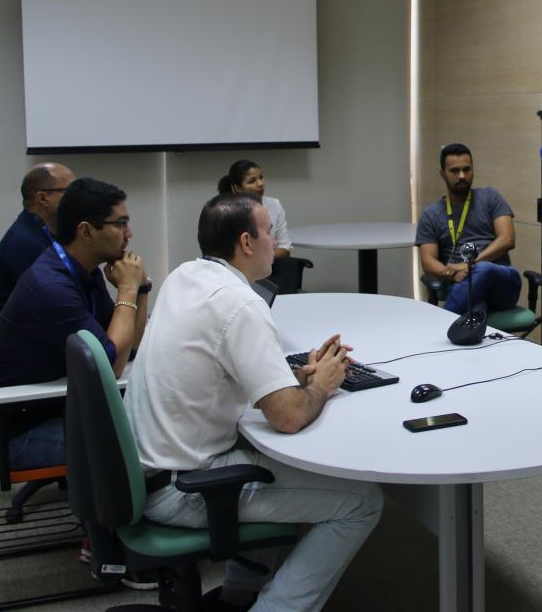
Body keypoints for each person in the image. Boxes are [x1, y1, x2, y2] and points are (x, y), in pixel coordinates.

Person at [126, 193, 382, 612]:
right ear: (246, 242)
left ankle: (238, 595)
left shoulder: (185, 277)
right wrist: (323, 386)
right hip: (185, 487)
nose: (275, 241)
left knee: (278, 463)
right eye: (268, 232)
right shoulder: (242, 302)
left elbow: (215, 370)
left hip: (149, 471)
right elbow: (288, 417)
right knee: (362, 502)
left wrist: (290, 380)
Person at [0, 178, 150, 470]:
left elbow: (129, 345)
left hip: (52, 408)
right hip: (14, 435)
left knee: (159, 416)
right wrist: (128, 289)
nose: (128, 234)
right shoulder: (51, 287)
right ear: (86, 232)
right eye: (120, 224)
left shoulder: (82, 270)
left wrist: (140, 289)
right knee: (149, 438)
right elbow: (113, 364)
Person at [416, 143, 521, 315]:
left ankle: (437, 327)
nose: (462, 176)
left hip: (501, 283)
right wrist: (452, 274)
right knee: (473, 315)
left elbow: (507, 239)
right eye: (454, 171)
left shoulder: (490, 197)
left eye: (467, 169)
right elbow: (428, 262)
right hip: (461, 283)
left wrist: (468, 265)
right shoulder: (431, 214)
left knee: (483, 269)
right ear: (442, 174)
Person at [0, 162, 75, 332]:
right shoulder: (26, 243)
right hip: (23, 350)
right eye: (71, 191)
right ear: (42, 198)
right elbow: (60, 306)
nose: (79, 198)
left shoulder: (39, 231)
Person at [218, 159, 301, 292]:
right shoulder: (225, 210)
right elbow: (226, 253)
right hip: (240, 269)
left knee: (289, 264)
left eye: (261, 177)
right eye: (252, 181)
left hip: (268, 264)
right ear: (237, 188)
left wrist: (262, 259)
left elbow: (285, 247)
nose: (260, 184)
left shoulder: (274, 205)